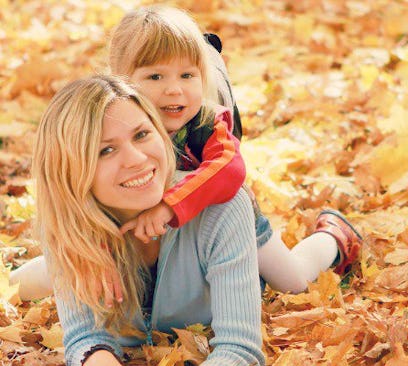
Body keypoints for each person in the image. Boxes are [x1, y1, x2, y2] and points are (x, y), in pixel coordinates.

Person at [11, 5, 362, 299]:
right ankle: (9, 282)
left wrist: (169, 205)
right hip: (137, 233)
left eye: (187, 75)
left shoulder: (209, 124)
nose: (174, 90)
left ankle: (332, 238)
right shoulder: (110, 125)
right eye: (155, 78)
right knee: (55, 278)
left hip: (221, 225)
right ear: (121, 81)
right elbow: (80, 187)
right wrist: (90, 255)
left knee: (292, 282)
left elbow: (230, 170)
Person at [32, 75, 264, 365]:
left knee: (295, 277)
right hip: (89, 231)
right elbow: (87, 340)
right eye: (106, 150)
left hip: (253, 241)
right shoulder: (64, 227)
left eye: (141, 135)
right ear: (70, 172)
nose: (137, 158)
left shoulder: (223, 209)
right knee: (28, 282)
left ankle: (332, 237)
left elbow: (239, 350)